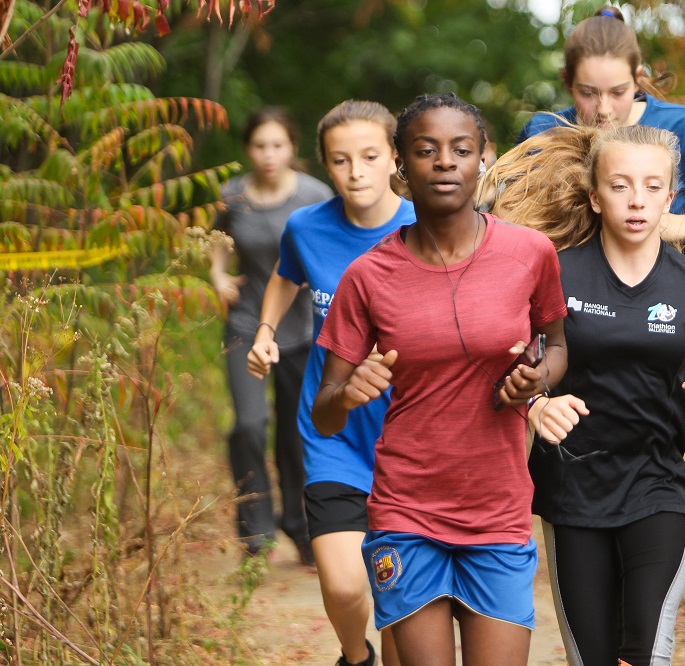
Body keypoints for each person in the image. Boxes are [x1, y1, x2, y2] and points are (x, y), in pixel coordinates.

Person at [310, 92, 569, 666]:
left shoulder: (530, 253)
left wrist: (535, 380)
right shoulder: (368, 275)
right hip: (406, 511)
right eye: (426, 150)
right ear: (402, 165)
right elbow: (323, 415)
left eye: (461, 149)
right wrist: (347, 394)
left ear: (483, 159)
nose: (445, 161)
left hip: (498, 510)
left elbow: (556, 346)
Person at [499, 123, 685, 666]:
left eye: (652, 186)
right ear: (595, 196)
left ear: (670, 196)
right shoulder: (555, 272)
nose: (637, 200)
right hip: (572, 489)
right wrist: (537, 406)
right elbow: (508, 363)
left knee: (645, 654)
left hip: (656, 484)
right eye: (620, 186)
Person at [513, 4, 685, 464]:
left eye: (618, 92)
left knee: (664, 488)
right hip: (570, 343)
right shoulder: (545, 132)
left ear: (639, 78)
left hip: (664, 342)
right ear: (567, 83)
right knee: (563, 488)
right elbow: (514, 226)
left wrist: (672, 225)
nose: (603, 109)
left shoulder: (681, 127)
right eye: (587, 93)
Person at [245, 100, 415, 666]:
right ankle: (355, 656)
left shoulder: (425, 227)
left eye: (370, 157)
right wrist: (266, 331)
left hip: (410, 436)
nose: (356, 172)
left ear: (394, 157)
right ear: (324, 164)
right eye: (341, 161)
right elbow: (285, 276)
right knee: (344, 585)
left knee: (399, 601)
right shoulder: (307, 226)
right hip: (332, 430)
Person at [211, 106, 332, 561]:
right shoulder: (233, 194)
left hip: (302, 330)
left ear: (292, 148)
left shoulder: (314, 195)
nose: (268, 154)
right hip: (245, 324)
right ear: (248, 149)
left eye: (277, 145)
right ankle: (255, 532)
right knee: (248, 424)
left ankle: (301, 527)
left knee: (295, 435)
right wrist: (217, 275)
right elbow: (217, 240)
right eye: (260, 146)